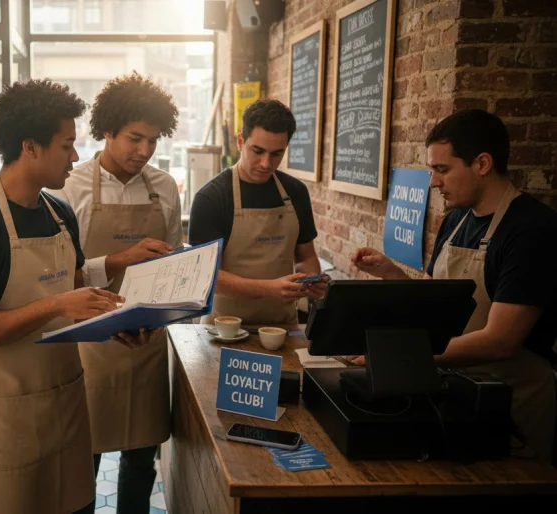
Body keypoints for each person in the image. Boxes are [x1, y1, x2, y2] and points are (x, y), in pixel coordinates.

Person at [0, 79, 147, 514]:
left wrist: (112, 325)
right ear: (30, 147)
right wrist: (55, 306)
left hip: (67, 401)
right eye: (66, 144)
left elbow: (72, 294)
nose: (75, 156)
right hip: (4, 411)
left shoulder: (60, 213)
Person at [352, 109, 557, 464]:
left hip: (514, 407)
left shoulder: (531, 231)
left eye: (442, 170)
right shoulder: (457, 220)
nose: (433, 182)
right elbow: (433, 305)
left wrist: (401, 358)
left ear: (482, 163)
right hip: (458, 391)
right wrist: (390, 273)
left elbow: (500, 341)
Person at [48, 72, 181, 514]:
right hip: (90, 342)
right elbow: (57, 275)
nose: (143, 152)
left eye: (153, 141)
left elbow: (174, 262)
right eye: (134, 139)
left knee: (142, 460)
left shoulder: (164, 188)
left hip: (146, 341)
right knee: (83, 455)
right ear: (107, 131)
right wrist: (117, 261)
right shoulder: (71, 187)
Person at [188, 99, 326, 326]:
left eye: (276, 154)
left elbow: (306, 256)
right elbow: (207, 276)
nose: (265, 163)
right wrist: (270, 289)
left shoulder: (295, 192)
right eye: (258, 151)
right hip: (223, 329)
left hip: (282, 327)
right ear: (241, 141)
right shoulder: (212, 198)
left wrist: (310, 280)